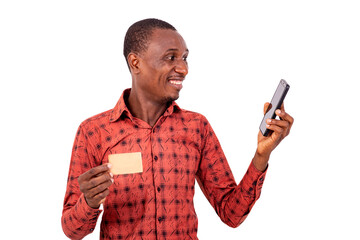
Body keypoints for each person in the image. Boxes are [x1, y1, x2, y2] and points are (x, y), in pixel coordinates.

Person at [61, 18, 294, 240]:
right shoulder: (94, 132)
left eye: (185, 58)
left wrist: (262, 155)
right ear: (136, 63)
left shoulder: (196, 127)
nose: (183, 69)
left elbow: (231, 213)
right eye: (171, 58)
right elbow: (72, 230)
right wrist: (89, 202)